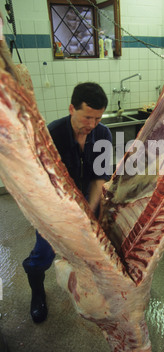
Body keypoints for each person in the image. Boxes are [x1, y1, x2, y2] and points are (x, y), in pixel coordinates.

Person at [22, 82, 112, 323]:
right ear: (72, 108)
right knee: (44, 254)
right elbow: (41, 185)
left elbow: (99, 178)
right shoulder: (51, 136)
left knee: (97, 252)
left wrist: (90, 212)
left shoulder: (103, 134)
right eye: (87, 117)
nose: (92, 125)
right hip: (54, 207)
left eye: (98, 118)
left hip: (86, 202)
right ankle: (38, 290)